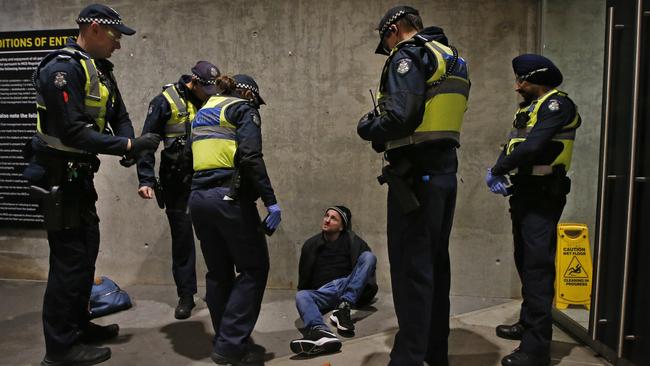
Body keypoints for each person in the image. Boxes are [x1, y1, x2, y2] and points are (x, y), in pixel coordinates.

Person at [22, 4, 160, 366]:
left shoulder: (99, 70)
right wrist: (128, 146)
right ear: (95, 29)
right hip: (56, 177)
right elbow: (73, 131)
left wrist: (129, 145)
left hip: (78, 178)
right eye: (115, 36)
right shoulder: (62, 69)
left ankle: (79, 326)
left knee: (85, 255)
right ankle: (59, 349)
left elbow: (120, 115)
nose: (118, 44)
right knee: (68, 263)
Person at [357, 5, 470, 366]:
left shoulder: (409, 54)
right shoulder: (451, 57)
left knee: (411, 271)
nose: (387, 47)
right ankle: (435, 353)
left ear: (394, 29)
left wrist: (368, 127)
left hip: (416, 176)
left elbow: (401, 116)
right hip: (442, 173)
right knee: (435, 267)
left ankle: (408, 358)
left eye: (385, 39)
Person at [486, 54, 580, 366]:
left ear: (536, 78)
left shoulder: (557, 105)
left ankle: (536, 349)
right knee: (526, 262)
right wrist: (506, 172)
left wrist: (498, 169)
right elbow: (516, 145)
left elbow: (534, 146)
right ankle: (527, 324)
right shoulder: (530, 108)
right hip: (525, 193)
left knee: (538, 269)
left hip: (543, 195)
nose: (518, 86)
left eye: (522, 80)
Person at [188, 74, 281, 365]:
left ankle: (224, 338)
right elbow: (251, 157)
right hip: (228, 198)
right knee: (254, 268)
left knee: (219, 272)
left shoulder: (203, 111)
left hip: (199, 199)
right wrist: (271, 201)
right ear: (249, 94)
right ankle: (230, 347)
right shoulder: (242, 109)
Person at [136, 61, 221, 319]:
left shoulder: (211, 99)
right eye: (205, 87)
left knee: (216, 236)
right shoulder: (164, 101)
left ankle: (220, 289)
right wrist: (146, 179)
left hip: (208, 179)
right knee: (183, 241)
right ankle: (186, 295)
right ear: (193, 82)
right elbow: (147, 142)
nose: (209, 93)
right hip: (177, 183)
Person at [289, 206, 378, 356]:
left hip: (347, 285)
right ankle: (321, 332)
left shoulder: (354, 242)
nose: (327, 220)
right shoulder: (311, 245)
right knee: (301, 295)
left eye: (333, 218)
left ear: (342, 226)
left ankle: (344, 307)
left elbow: (366, 272)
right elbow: (303, 279)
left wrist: (361, 292)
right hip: (325, 291)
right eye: (326, 216)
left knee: (369, 257)